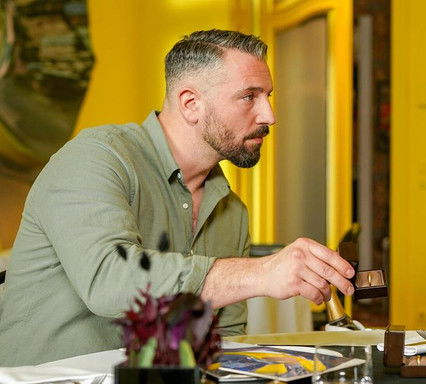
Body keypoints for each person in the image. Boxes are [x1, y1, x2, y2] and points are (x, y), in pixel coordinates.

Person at [0, 30, 355, 366]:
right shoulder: (95, 159)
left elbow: (223, 342)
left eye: (268, 96)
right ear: (190, 104)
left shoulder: (232, 211)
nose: (269, 116)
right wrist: (261, 273)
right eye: (249, 96)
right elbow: (108, 281)